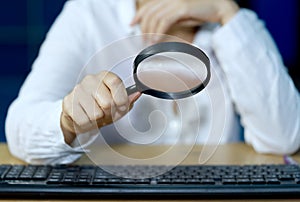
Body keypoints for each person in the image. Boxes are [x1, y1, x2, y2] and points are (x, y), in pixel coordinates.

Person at [5, 0, 300, 164]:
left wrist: (226, 13)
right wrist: (69, 121)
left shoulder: (237, 24)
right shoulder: (88, 14)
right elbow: (19, 127)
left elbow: (284, 138)